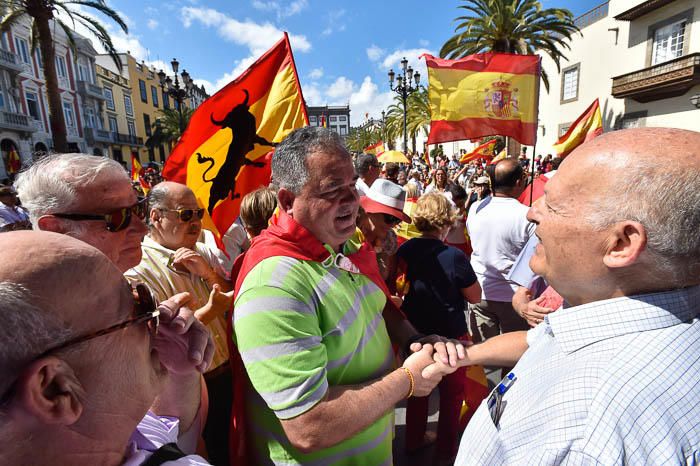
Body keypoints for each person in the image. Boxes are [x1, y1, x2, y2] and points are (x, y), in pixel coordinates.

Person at [453, 127, 700, 465]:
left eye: (553, 205)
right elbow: (541, 339)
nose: (532, 211)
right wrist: (462, 355)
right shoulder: (617, 315)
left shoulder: (586, 430)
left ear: (621, 244)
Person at [232, 127, 464, 465]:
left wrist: (416, 339)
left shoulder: (346, 243)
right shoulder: (273, 284)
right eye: (331, 190)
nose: (352, 201)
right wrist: (408, 379)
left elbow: (378, 306)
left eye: (352, 185)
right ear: (286, 201)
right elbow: (309, 426)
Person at [13, 153, 211, 455]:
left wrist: (180, 371)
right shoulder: (22, 323)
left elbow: (172, 434)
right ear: (55, 228)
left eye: (139, 209)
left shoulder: (127, 290)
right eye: (117, 218)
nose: (142, 229)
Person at [0, 231, 214, 465]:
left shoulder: (106, 428)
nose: (157, 319)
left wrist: (178, 373)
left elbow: (168, 435)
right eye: (138, 308)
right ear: (55, 389)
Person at [125, 181, 233, 466]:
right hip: (187, 390)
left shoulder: (205, 250)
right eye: (186, 215)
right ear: (157, 217)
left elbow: (228, 292)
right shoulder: (139, 268)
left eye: (198, 213)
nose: (196, 221)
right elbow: (156, 338)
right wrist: (210, 312)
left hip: (228, 371)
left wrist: (208, 273)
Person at [397, 193, 481, 464]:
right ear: (446, 221)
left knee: (417, 391)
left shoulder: (405, 249)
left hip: (416, 333)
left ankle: (412, 441)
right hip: (451, 334)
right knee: (451, 395)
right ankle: (446, 451)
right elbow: (475, 296)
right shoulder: (454, 256)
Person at [466, 159, 533, 345]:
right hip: (513, 297)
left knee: (486, 355)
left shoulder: (475, 208)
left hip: (482, 292)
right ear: (519, 182)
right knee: (514, 356)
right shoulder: (527, 215)